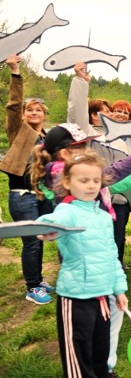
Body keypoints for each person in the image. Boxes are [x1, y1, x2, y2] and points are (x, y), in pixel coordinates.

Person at [36, 151, 128, 378]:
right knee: (79, 362)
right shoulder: (68, 211)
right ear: (67, 182)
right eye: (84, 180)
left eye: (96, 180)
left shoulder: (104, 217)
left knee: (100, 355)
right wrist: (46, 228)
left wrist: (119, 289)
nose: (91, 186)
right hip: (76, 299)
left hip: (103, 297)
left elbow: (111, 255)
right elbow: (52, 222)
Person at [0, 55, 55, 304]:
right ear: (23, 114)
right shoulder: (18, 130)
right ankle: (32, 287)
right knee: (31, 242)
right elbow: (13, 105)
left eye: (38, 110)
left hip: (42, 194)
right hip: (22, 195)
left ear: (44, 114)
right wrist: (15, 72)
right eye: (29, 109)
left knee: (40, 238)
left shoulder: (47, 135)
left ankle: (38, 278)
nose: (34, 112)